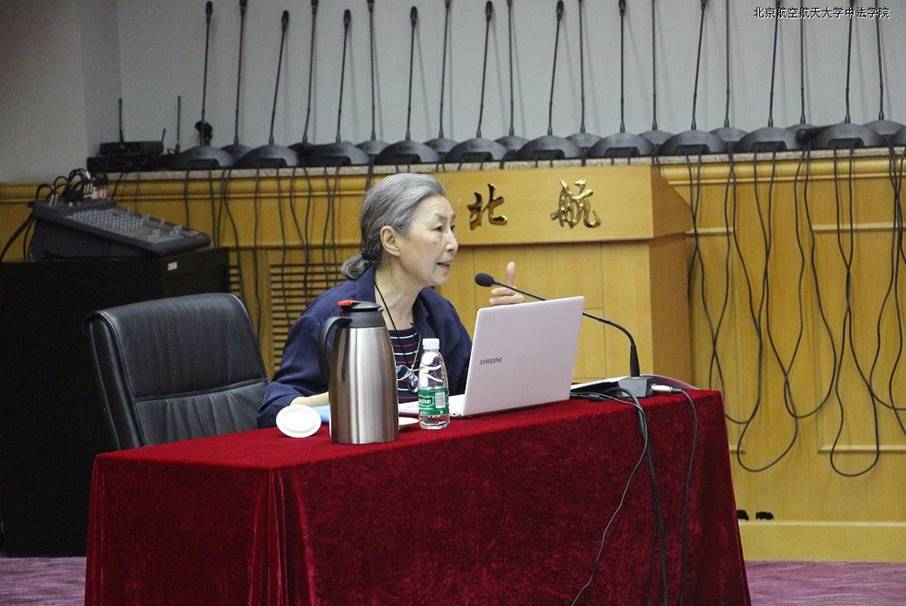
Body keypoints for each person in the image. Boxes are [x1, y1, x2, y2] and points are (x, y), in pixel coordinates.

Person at [258, 172, 524, 427]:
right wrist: (335, 400)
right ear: (391, 240)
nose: (453, 243)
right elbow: (273, 408)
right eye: (438, 229)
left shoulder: (439, 312)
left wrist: (505, 333)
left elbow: (475, 394)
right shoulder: (332, 316)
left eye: (452, 228)